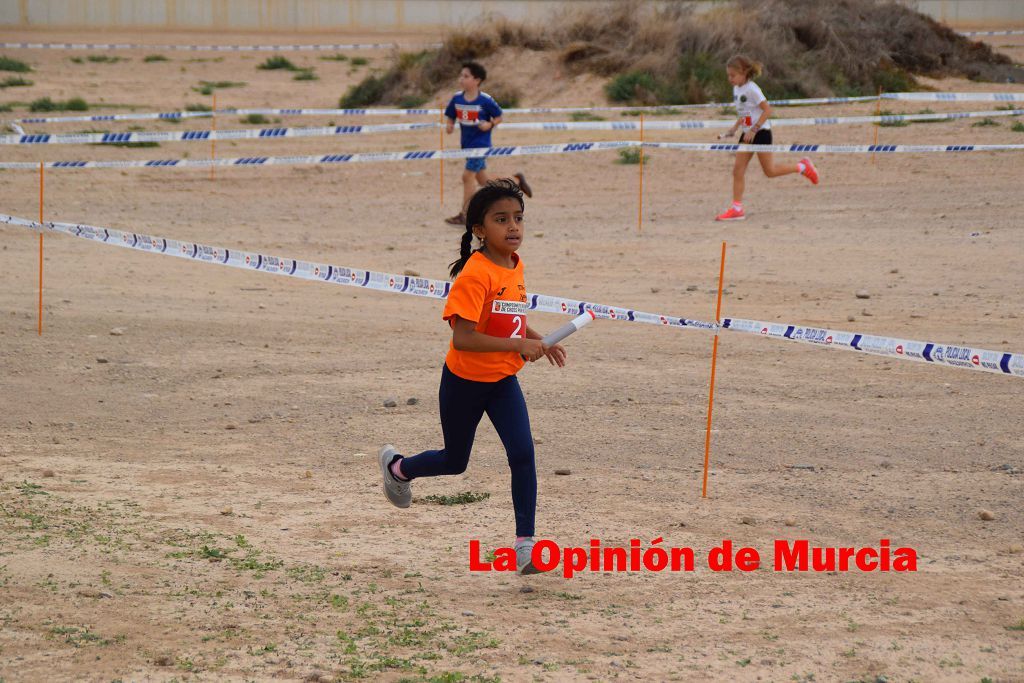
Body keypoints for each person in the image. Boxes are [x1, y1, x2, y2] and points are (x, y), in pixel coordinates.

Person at [380, 179, 564, 575]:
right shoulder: (475, 274)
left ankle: (525, 546)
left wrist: (537, 339)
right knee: (454, 461)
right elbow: (463, 338)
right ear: (479, 229)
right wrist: (518, 346)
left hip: (502, 383)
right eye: (501, 220)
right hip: (463, 383)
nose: (513, 227)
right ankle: (399, 468)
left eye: (518, 218)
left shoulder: (516, 266)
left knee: (523, 454)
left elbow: (507, 317)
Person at [715, 55, 819, 222]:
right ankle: (737, 209)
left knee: (769, 171)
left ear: (743, 73)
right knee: (737, 170)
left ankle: (802, 166)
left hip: (761, 132)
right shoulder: (737, 89)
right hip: (747, 134)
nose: (730, 79)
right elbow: (746, 113)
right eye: (728, 75)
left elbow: (767, 110)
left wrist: (754, 130)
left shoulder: (752, 89)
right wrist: (734, 129)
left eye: (732, 75)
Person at [444, 61, 532, 226]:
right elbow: (451, 115)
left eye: (466, 76)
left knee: (467, 176)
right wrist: (449, 125)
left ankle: (466, 214)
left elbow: (499, 116)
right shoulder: (456, 98)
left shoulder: (485, 100)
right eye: (461, 76)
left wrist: (490, 124)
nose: (461, 79)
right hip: (466, 144)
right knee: (484, 180)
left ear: (477, 80)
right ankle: (515, 180)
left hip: (481, 144)